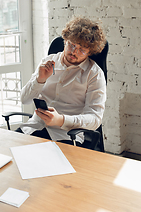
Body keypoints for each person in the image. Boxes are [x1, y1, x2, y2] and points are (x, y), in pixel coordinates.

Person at [17, 16, 107, 146]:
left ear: (90, 52)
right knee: (7, 153)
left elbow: (95, 119)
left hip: (66, 135)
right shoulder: (48, 61)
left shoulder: (94, 74)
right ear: (65, 41)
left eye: (82, 50)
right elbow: (24, 100)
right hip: (34, 127)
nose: (74, 52)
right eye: (72, 45)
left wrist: (61, 120)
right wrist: (40, 79)